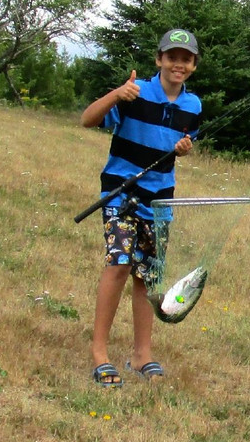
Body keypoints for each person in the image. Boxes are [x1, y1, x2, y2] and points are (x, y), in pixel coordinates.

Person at [80, 28, 203, 387]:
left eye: (186, 59)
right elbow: (87, 119)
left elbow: (181, 142)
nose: (178, 64)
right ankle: (100, 353)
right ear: (159, 59)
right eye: (172, 57)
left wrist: (184, 149)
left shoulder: (193, 106)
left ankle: (141, 354)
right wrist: (116, 94)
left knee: (147, 278)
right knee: (119, 263)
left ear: (194, 65)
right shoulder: (134, 93)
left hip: (160, 201)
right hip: (120, 194)